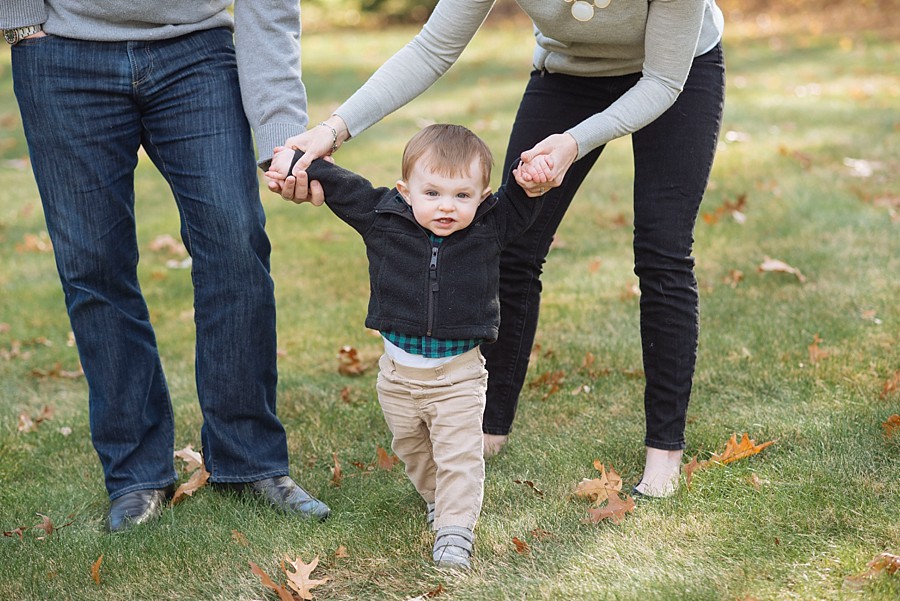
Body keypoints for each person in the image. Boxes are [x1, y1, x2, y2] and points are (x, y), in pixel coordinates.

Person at [269, 0, 726, 498]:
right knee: (512, 245)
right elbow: (432, 48)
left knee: (662, 250)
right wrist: (331, 131)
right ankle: (487, 427)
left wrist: (574, 143)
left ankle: (664, 450)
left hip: (675, 74)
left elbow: (661, 82)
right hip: (568, 71)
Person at [1, 1, 329, 531]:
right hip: (60, 52)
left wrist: (282, 132)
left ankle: (249, 460)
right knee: (93, 264)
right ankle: (136, 475)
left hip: (195, 49)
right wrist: (19, 20)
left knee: (234, 242)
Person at [269, 124, 544, 568]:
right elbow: (343, 187)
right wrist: (298, 162)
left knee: (458, 456)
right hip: (397, 377)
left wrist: (532, 181)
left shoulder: (489, 228)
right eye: (432, 193)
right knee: (412, 449)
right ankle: (437, 498)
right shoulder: (384, 218)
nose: (447, 207)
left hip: (458, 375)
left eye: (462, 196)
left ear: (483, 197)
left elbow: (521, 203)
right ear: (406, 191)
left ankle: (455, 529)